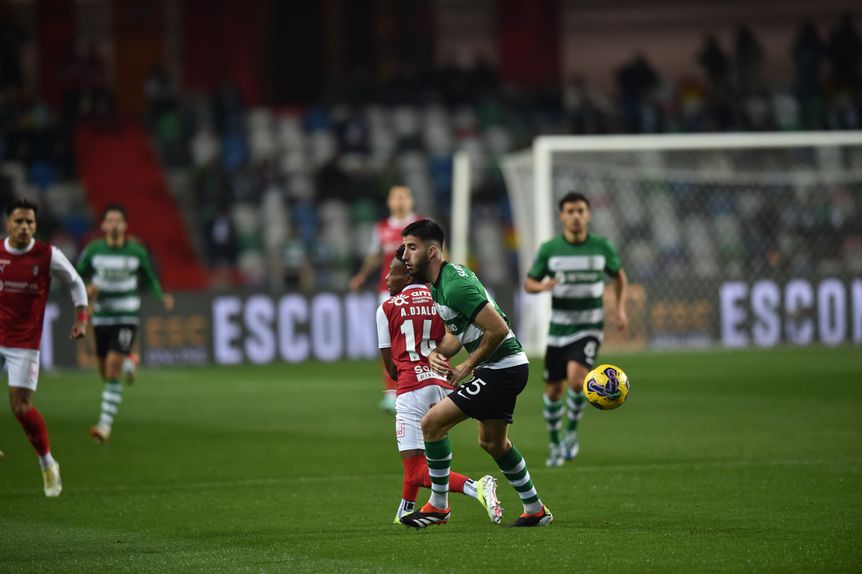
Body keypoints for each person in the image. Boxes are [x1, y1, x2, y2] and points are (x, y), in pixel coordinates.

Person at [398, 219, 552, 528]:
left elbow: (498, 328)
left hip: (502, 369)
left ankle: (438, 505)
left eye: (411, 248)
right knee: (493, 443)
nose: (404, 256)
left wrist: (466, 366)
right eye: (404, 248)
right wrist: (440, 352)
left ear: (431, 252)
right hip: (503, 368)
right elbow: (458, 333)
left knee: (432, 423)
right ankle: (535, 509)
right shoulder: (441, 284)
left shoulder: (455, 286)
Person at [378, 245, 502, 524]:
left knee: (415, 468)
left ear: (407, 276)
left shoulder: (386, 307)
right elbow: (456, 337)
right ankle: (406, 509)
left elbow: (391, 368)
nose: (386, 278)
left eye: (391, 273)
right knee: (424, 456)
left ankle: (475, 487)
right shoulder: (438, 298)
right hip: (445, 385)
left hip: (412, 389)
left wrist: (409, 368)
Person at [524, 192, 628, 467]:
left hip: (589, 327)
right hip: (558, 330)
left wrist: (620, 309)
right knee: (554, 392)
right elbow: (529, 283)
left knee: (576, 380)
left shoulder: (601, 246)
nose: (576, 216)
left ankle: (570, 431)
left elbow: (619, 276)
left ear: (588, 214)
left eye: (580, 210)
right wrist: (542, 286)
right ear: (562, 216)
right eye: (570, 211)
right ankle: (554, 442)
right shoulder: (550, 249)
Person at [1, 197, 88, 496]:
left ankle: (47, 463)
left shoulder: (48, 255)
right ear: (8, 224)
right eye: (19, 221)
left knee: (21, 408)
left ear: (36, 225)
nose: (24, 226)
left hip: (24, 343)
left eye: (29, 222)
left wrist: (81, 319)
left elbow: (76, 282)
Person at [77, 204, 174, 443]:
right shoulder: (93, 250)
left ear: (125, 225)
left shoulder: (136, 251)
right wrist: (86, 290)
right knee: (104, 371)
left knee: (112, 369)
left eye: (118, 221)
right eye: (110, 221)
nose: (114, 225)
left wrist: (161, 296)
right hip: (102, 316)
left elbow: (149, 276)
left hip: (126, 314)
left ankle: (104, 425)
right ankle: (129, 363)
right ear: (103, 225)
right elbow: (76, 275)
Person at [350, 185, 420, 413]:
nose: (400, 201)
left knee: (420, 338)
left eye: (404, 197)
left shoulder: (421, 226)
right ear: (389, 202)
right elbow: (375, 255)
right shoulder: (381, 228)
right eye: (396, 197)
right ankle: (391, 392)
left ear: (411, 201)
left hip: (418, 289)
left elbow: (436, 254)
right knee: (390, 341)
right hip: (388, 290)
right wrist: (361, 276)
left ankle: (421, 385)